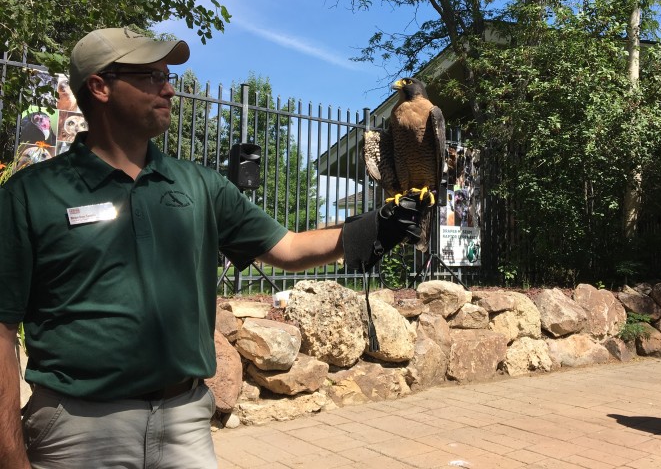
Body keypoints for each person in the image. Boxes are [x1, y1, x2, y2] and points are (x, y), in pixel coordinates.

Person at [0, 27, 426, 468]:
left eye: (168, 75)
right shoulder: (34, 194)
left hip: (185, 423)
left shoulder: (198, 184)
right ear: (99, 86)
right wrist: (10, 458)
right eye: (151, 76)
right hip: (78, 429)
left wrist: (378, 227)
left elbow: (288, 247)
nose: (169, 88)